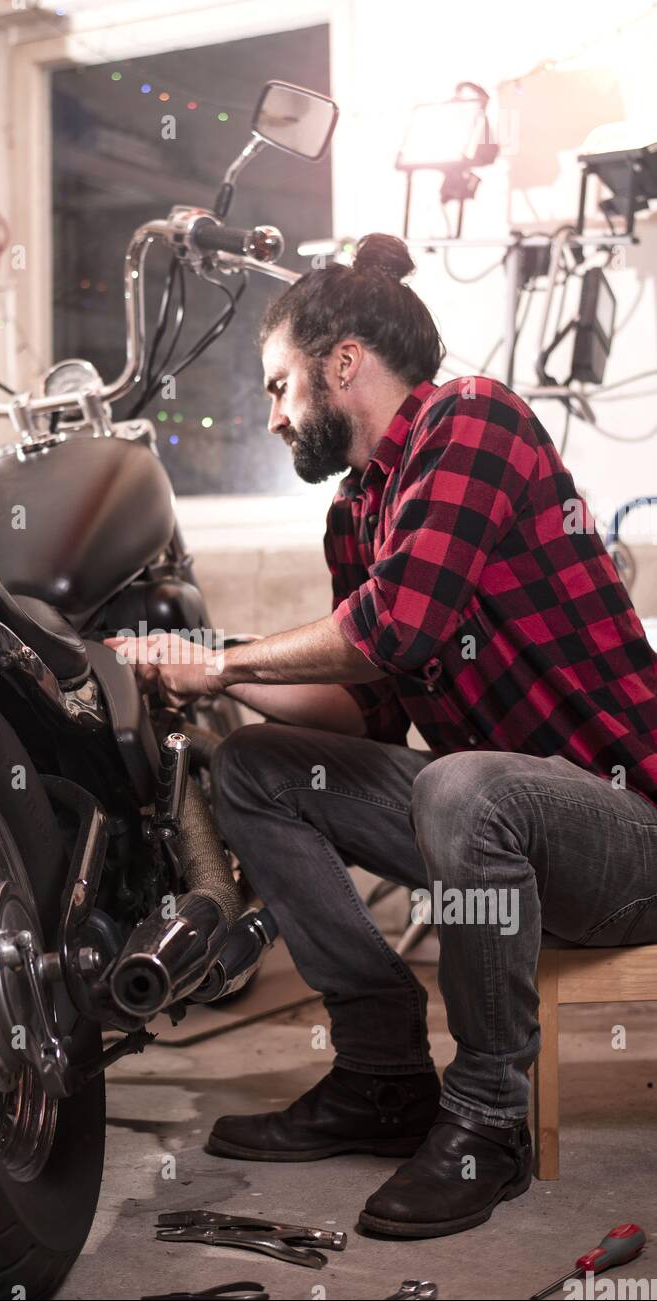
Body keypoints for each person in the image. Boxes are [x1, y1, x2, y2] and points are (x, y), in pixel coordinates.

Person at [107, 232, 657, 1239]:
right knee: (258, 769)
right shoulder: (355, 515)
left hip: (626, 836)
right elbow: (364, 708)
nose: (272, 417)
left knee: (462, 788)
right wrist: (206, 665)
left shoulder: (473, 419)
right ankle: (378, 1072)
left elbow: (397, 623)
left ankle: (488, 1119)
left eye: (280, 387)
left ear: (343, 361)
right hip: (494, 836)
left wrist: (226, 662)